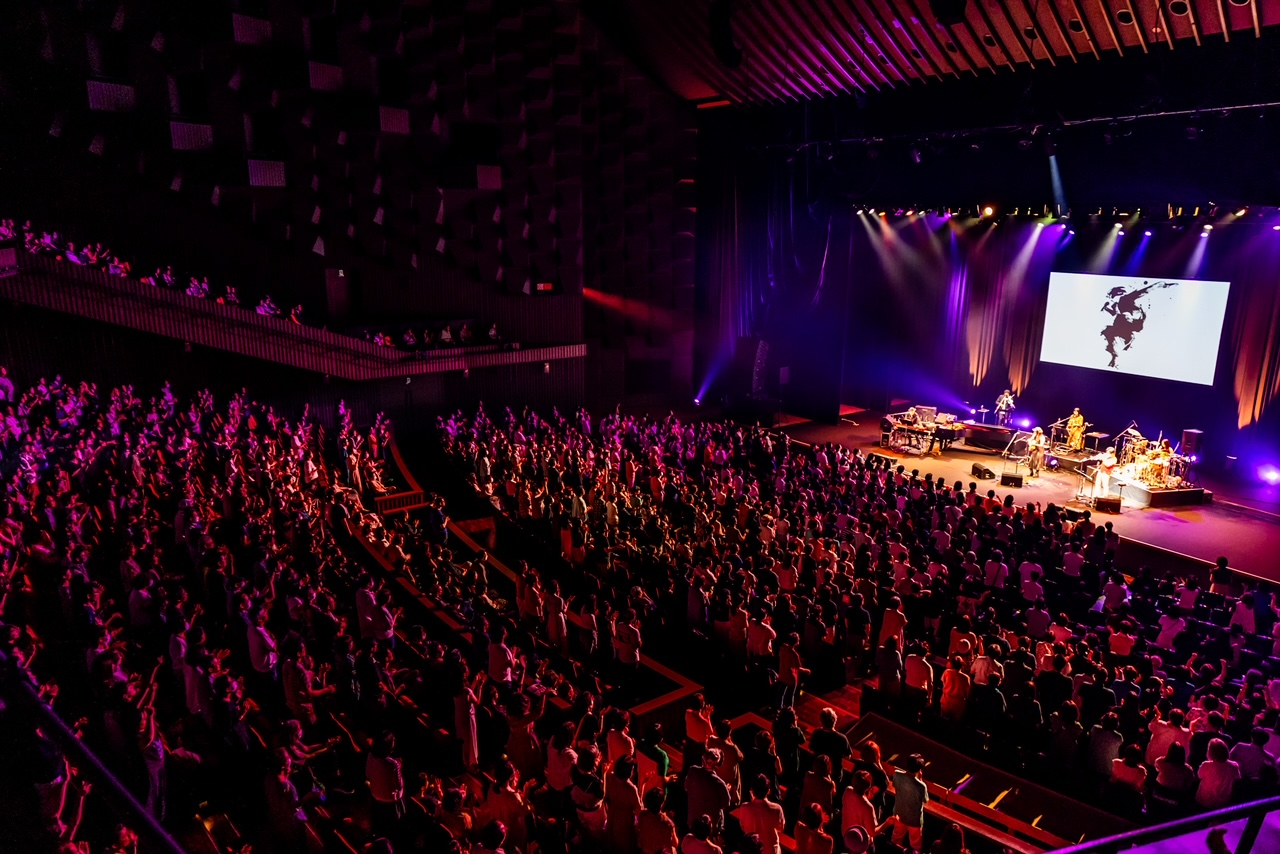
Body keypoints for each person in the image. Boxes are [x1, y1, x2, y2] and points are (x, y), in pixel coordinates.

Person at [731, 774, 785, 854]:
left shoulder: (744, 808)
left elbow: (743, 827)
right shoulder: (777, 809)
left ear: (752, 791)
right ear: (768, 791)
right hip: (771, 850)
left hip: (751, 850)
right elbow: (781, 828)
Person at [889, 754, 928, 853]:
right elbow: (925, 800)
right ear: (919, 770)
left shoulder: (897, 774)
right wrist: (920, 780)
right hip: (914, 820)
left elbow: (894, 785)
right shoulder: (921, 786)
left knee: (896, 839)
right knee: (915, 845)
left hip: (899, 814)